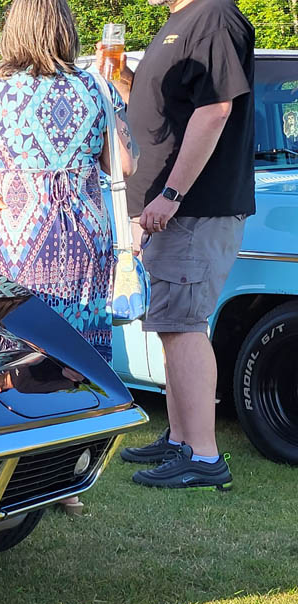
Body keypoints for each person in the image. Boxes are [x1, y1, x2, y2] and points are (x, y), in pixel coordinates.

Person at [0, 0, 135, 513]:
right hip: (84, 240)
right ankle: (68, 480)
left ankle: (9, 470)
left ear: (14, 31)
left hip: (21, 239)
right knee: (74, 358)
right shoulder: (94, 87)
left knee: (9, 349)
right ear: (66, 29)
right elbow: (123, 163)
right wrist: (116, 94)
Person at [115, 0, 254, 492]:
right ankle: (178, 440)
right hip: (174, 213)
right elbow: (173, 108)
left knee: (186, 326)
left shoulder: (213, 14)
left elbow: (216, 108)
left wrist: (172, 194)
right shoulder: (181, 21)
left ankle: (203, 455)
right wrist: (127, 82)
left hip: (195, 209)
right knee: (172, 324)